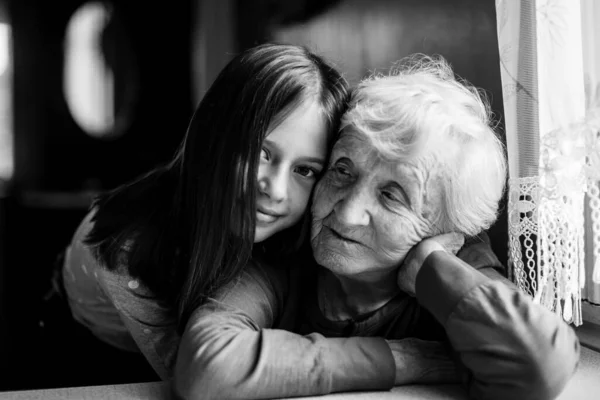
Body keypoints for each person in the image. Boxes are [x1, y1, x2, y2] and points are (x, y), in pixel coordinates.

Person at [172, 55, 581, 400]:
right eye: (342, 170)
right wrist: (411, 359)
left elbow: (541, 363)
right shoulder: (284, 254)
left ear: (445, 228)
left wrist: (429, 271)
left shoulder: (458, 262)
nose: (347, 214)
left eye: (392, 195)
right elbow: (210, 366)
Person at [50, 43, 350, 384]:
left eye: (305, 170)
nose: (277, 190)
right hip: (89, 342)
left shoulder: (301, 232)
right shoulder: (131, 249)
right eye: (261, 152)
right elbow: (214, 379)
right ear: (215, 138)